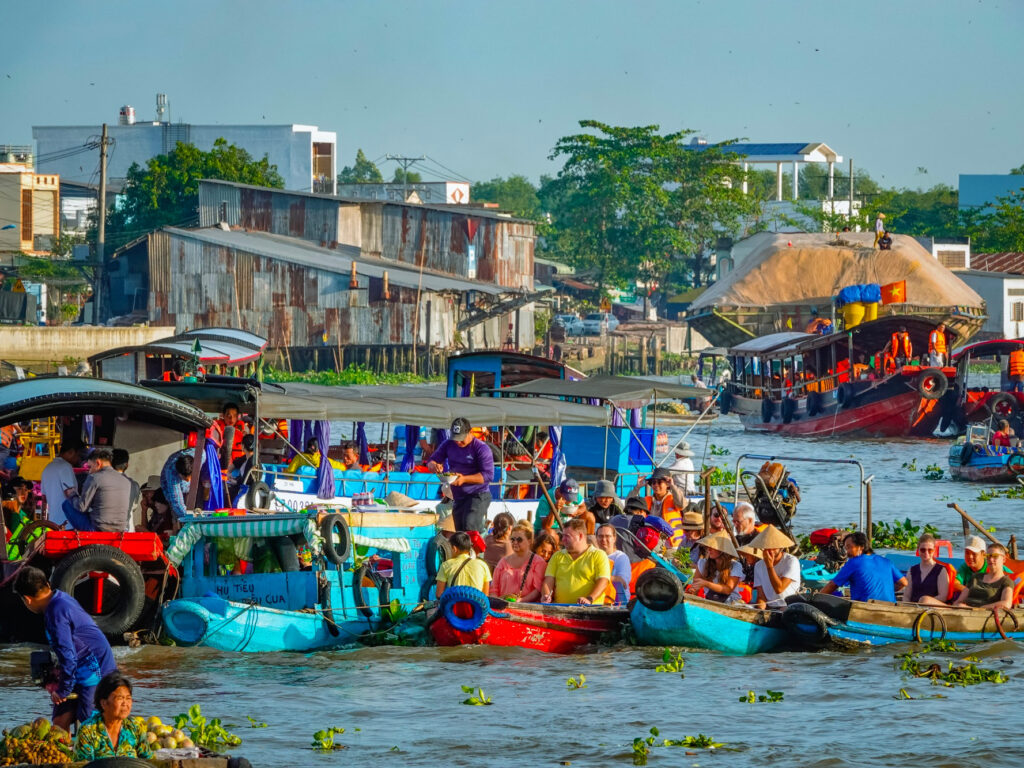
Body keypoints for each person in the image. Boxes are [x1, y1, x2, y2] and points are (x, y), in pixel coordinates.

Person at [14, 567, 117, 731]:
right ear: (47, 584)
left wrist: (63, 690)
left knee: (88, 726)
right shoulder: (60, 597)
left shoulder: (56, 614)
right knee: (59, 720)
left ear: (27, 599)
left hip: (96, 671)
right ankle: (65, 753)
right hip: (79, 668)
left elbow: (68, 656)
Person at [428, 418, 495, 533]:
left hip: (478, 495)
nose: (458, 442)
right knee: (459, 532)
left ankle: (476, 550)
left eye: (461, 439)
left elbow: (488, 475)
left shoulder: (481, 448)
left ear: (470, 432)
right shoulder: (448, 444)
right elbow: (432, 460)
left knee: (470, 527)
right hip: (458, 496)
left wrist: (464, 479)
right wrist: (434, 465)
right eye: (455, 438)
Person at [72, 672, 153, 761]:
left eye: (128, 698)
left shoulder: (135, 727)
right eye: (120, 698)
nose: (125, 703)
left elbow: (149, 761)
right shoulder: (87, 731)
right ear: (104, 703)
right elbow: (83, 765)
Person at [816, 531, 907, 602]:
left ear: (861, 547)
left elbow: (832, 585)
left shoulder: (854, 562)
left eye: (849, 547)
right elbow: (903, 583)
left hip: (864, 608)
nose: (847, 552)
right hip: (889, 606)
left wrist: (816, 599)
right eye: (846, 548)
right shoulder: (887, 561)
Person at [541, 518, 611, 605]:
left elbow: (603, 581)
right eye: (563, 536)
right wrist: (546, 595)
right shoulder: (557, 556)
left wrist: (589, 599)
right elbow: (548, 580)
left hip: (589, 610)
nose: (563, 540)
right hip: (559, 608)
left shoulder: (598, 555)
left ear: (580, 536)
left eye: (567, 536)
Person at [63, 448, 133, 533]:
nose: (89, 471)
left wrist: (72, 494)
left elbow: (82, 507)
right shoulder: (126, 481)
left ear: (98, 463)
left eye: (90, 467)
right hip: (120, 528)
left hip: (98, 528)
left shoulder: (94, 477)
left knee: (66, 504)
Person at [627, 467, 685, 548]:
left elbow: (681, 504)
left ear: (667, 484)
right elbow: (629, 505)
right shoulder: (647, 500)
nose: (656, 485)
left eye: (659, 482)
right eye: (653, 483)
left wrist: (673, 486)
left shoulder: (673, 499)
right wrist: (637, 487)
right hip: (650, 540)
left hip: (671, 544)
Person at [490, 523, 547, 602]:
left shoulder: (538, 562)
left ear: (529, 541)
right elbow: (493, 589)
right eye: (512, 539)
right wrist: (497, 602)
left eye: (519, 539)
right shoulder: (503, 562)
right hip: (503, 608)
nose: (515, 542)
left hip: (529, 608)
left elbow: (538, 589)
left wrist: (521, 600)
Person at [749, 525, 801, 608]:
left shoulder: (791, 561)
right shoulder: (758, 566)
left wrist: (769, 566)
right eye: (766, 547)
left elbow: (779, 589)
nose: (770, 550)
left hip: (788, 606)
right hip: (770, 606)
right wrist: (760, 611)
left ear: (781, 547)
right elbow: (761, 596)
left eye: (773, 547)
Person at [952, 544, 1015, 611]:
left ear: (1004, 559)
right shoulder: (976, 577)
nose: (991, 559)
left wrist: (979, 609)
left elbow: (1006, 603)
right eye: (988, 556)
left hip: (983, 615)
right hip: (964, 612)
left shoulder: (1006, 581)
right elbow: (960, 600)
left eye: (995, 556)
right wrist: (956, 606)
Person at [688, 532, 744, 603]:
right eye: (708, 546)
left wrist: (706, 584)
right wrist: (692, 591)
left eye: (713, 547)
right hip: (711, 600)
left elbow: (728, 590)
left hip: (731, 601)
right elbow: (695, 587)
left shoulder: (735, 566)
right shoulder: (702, 563)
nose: (709, 549)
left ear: (722, 550)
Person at [40, 438, 84, 526]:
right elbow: (69, 493)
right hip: (67, 523)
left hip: (53, 522)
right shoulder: (65, 467)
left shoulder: (47, 468)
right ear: (71, 452)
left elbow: (44, 498)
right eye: (78, 455)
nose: (78, 459)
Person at [903, 533, 954, 606]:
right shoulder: (911, 570)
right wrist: (906, 606)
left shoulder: (941, 570)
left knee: (925, 600)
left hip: (934, 607)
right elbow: (907, 596)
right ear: (918, 550)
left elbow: (943, 597)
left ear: (934, 551)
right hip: (914, 607)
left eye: (930, 550)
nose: (926, 553)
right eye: (923, 550)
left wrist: (924, 602)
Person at [435, 532, 491, 597]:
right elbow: (485, 595)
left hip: (454, 606)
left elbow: (439, 594)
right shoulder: (483, 565)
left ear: (454, 549)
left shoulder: (446, 565)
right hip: (476, 606)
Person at [596, 523, 631, 604]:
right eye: (600, 536)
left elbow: (623, 582)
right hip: (598, 601)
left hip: (618, 603)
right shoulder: (593, 556)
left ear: (614, 538)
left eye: (608, 536)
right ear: (596, 538)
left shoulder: (621, 557)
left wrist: (598, 577)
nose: (603, 539)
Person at [111, 448, 140, 533]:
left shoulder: (101, 481)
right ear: (127, 465)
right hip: (128, 529)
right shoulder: (134, 485)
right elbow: (134, 507)